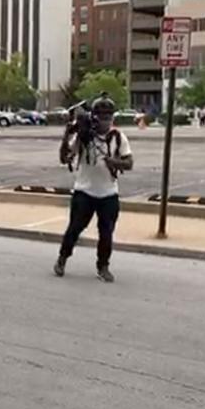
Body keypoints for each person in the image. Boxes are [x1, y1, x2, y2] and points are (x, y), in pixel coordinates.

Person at [55, 95, 134, 283]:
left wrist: (113, 162)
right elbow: (65, 158)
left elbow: (129, 163)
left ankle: (103, 266)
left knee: (106, 233)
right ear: (95, 117)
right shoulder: (84, 137)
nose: (106, 122)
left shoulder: (117, 137)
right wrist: (68, 135)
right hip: (84, 191)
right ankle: (62, 258)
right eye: (102, 117)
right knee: (75, 228)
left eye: (109, 117)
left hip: (108, 193)